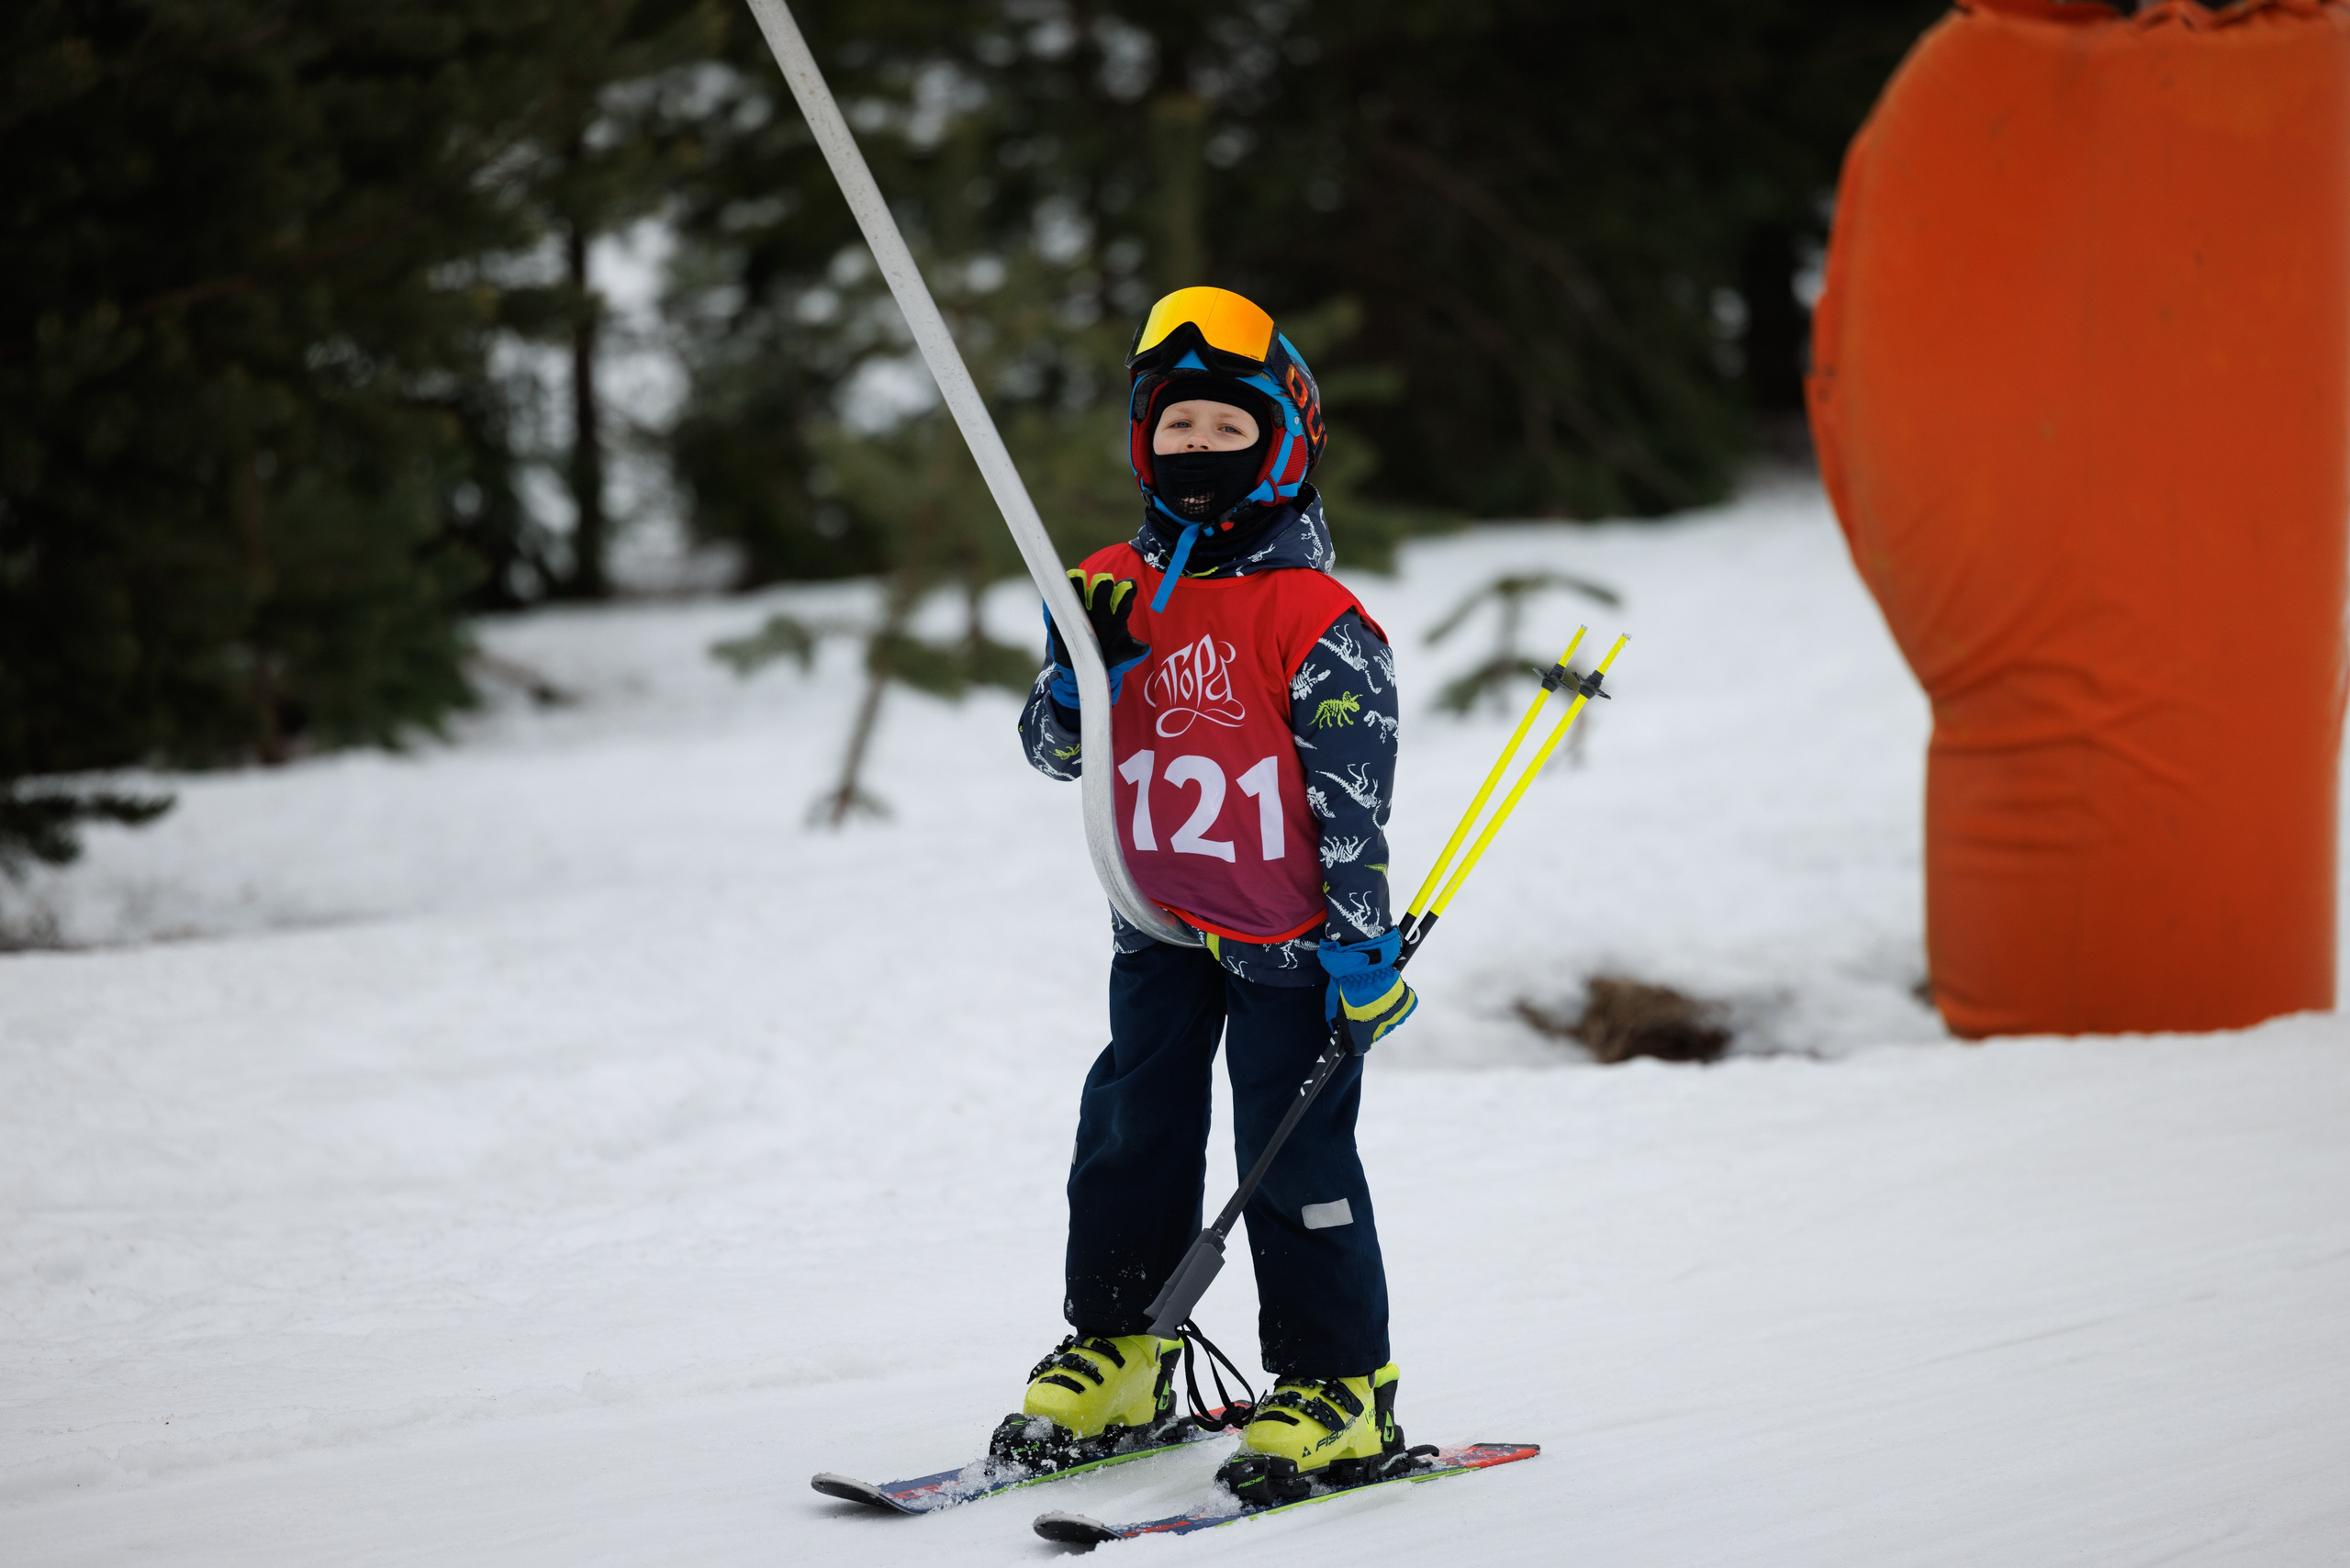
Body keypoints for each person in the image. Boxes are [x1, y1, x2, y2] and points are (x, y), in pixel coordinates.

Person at [1006, 286, 1419, 1503]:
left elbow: (1353, 800)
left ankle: (1338, 1385)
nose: (1198, 453)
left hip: (1292, 937)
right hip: (1154, 924)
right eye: (1175, 431)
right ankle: (1123, 1350)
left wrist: (1363, 945)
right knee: (1128, 1136)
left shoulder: (1318, 618)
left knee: (1292, 1155)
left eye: (1225, 431)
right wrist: (1086, 677)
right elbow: (1049, 750)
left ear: (1281, 442)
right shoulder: (1104, 589)